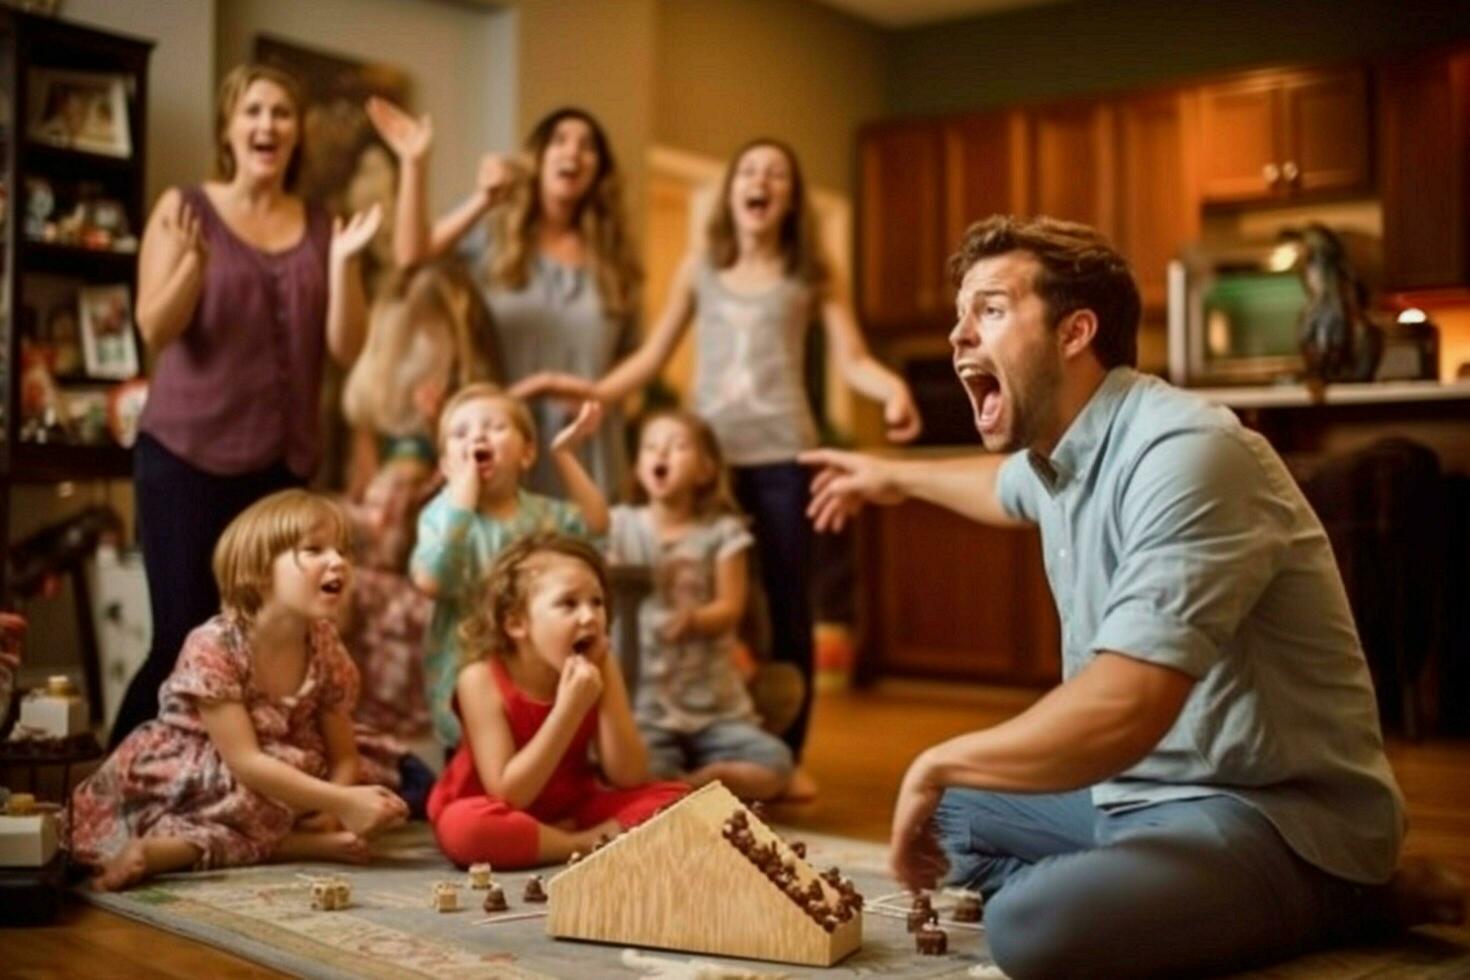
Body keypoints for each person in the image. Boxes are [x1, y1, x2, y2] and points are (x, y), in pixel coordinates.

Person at [801, 214, 1466, 979]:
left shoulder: (1187, 452)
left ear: (1074, 331)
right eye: (960, 316)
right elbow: (1000, 488)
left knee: (1028, 925)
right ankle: (1163, 890)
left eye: (988, 309)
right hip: (1135, 793)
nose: (958, 337)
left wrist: (935, 758)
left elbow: (1129, 703)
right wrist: (889, 476)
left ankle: (1349, 896)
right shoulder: (1060, 454)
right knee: (947, 817)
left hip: (1268, 811)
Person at [595, 138, 921, 768]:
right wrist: (592, 394)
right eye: (749, 170)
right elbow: (652, 356)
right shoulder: (700, 269)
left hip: (784, 459)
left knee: (784, 601)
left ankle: (784, 752)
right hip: (707, 461)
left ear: (790, 199)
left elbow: (852, 358)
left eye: (776, 174)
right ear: (734, 191)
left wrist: (894, 389)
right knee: (696, 591)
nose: (761, 181)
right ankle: (677, 728)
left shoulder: (812, 273)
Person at [111, 64, 381, 747]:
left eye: (282, 113)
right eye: (253, 111)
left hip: (279, 468)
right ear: (229, 128)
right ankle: (114, 781)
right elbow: (154, 327)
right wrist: (193, 269)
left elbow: (348, 346)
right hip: (184, 459)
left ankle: (225, 789)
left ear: (297, 133)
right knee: (183, 636)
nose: (268, 125)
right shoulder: (186, 209)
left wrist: (345, 265)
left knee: (264, 642)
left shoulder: (322, 224)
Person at [67, 490, 408, 892]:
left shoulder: (324, 643)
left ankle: (271, 841)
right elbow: (246, 761)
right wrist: (342, 801)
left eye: (342, 550)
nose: (338, 561)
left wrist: (336, 805)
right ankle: (286, 845)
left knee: (387, 772)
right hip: (208, 771)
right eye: (315, 550)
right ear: (260, 571)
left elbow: (344, 752)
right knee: (251, 797)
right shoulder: (214, 644)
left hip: (286, 764)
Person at [367, 97, 641, 499]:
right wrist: (420, 165)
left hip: (590, 450)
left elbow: (631, 356)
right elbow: (411, 256)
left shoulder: (616, 263)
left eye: (588, 145)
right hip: (501, 444)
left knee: (584, 559)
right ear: (538, 158)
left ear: (599, 169)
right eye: (560, 140)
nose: (573, 152)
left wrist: (599, 396)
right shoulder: (495, 240)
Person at [427, 533, 687, 868]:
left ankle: (561, 841)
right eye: (569, 603)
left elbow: (630, 776)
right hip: (499, 809)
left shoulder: (601, 664)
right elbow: (510, 794)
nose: (590, 616)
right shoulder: (478, 678)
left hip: (572, 807)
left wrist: (604, 678)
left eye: (597, 602)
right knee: (464, 828)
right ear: (517, 623)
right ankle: (582, 845)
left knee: (678, 799)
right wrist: (569, 709)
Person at [607, 410, 794, 801]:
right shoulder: (621, 524)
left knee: (776, 761)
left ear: (706, 470)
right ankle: (682, 786)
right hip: (647, 710)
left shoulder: (723, 532)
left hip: (716, 709)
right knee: (633, 768)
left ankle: (694, 786)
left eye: (678, 446)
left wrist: (694, 619)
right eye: (652, 447)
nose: (663, 453)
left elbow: (730, 606)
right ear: (639, 465)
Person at [410, 383, 609, 747]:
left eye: (495, 427)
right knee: (474, 770)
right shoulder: (440, 517)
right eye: (460, 433)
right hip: (466, 669)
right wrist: (463, 499)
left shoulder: (544, 515)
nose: (478, 435)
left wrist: (564, 454)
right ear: (445, 464)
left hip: (537, 666)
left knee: (545, 755)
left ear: (527, 453)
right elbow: (431, 580)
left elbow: (595, 526)